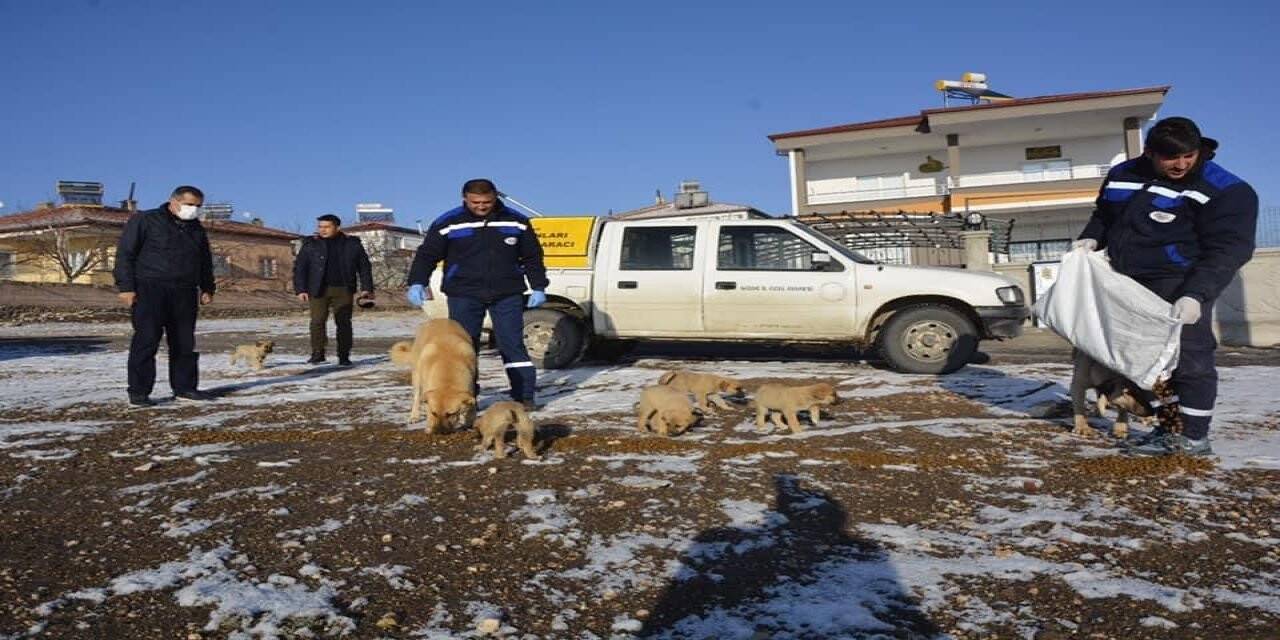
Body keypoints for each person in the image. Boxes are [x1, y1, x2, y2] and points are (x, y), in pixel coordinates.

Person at [1075, 117, 1258, 456]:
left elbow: (1229, 249)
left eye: (1189, 156)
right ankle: (1169, 428)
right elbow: (1104, 214)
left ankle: (1194, 436)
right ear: (1149, 153)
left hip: (1181, 281)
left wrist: (1196, 294)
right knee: (1151, 362)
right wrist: (1091, 237)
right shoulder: (1123, 174)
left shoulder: (1227, 190)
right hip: (1127, 282)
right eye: (1171, 158)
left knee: (1190, 356)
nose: (1181, 164)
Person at [406, 179, 548, 410]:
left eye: (487, 202)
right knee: (464, 347)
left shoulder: (517, 221)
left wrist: (539, 286)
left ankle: (524, 396)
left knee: (512, 344)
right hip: (463, 292)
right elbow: (427, 255)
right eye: (476, 202)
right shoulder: (447, 222)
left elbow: (532, 257)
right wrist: (417, 282)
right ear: (465, 199)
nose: (482, 206)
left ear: (495, 197)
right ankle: (467, 396)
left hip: (507, 291)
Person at [113, 185, 217, 407]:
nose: (194, 210)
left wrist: (207, 287)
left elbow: (205, 261)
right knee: (146, 340)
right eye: (190, 204)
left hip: (185, 291)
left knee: (184, 342)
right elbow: (125, 254)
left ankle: (185, 387)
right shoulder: (146, 220)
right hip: (150, 288)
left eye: (198, 206)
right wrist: (126, 287)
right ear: (174, 201)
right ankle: (139, 392)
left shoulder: (196, 229)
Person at [293, 214, 374, 366]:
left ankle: (344, 355)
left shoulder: (352, 244)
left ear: (337, 227)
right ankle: (318, 353)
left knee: (343, 323)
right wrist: (300, 289)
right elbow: (300, 268)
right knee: (317, 321)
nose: (322, 230)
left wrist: (366, 289)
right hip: (317, 289)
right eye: (320, 226)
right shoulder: (311, 244)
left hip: (343, 289)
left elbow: (364, 267)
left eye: (326, 227)